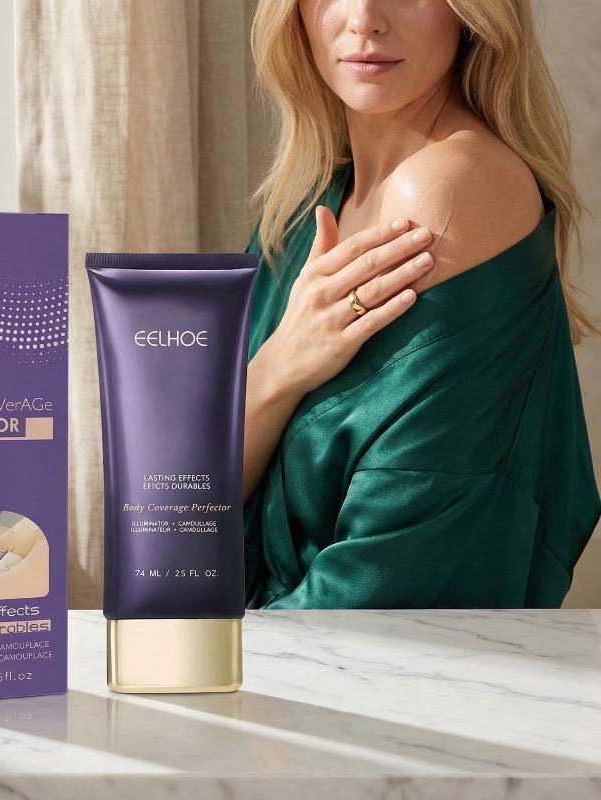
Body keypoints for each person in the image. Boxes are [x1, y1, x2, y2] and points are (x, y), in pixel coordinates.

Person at [243, 0, 601, 609]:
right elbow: (178, 507)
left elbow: (381, 588)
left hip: (354, 663)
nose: (364, 18)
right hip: (266, 647)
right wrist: (277, 368)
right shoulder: (304, 209)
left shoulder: (446, 186)